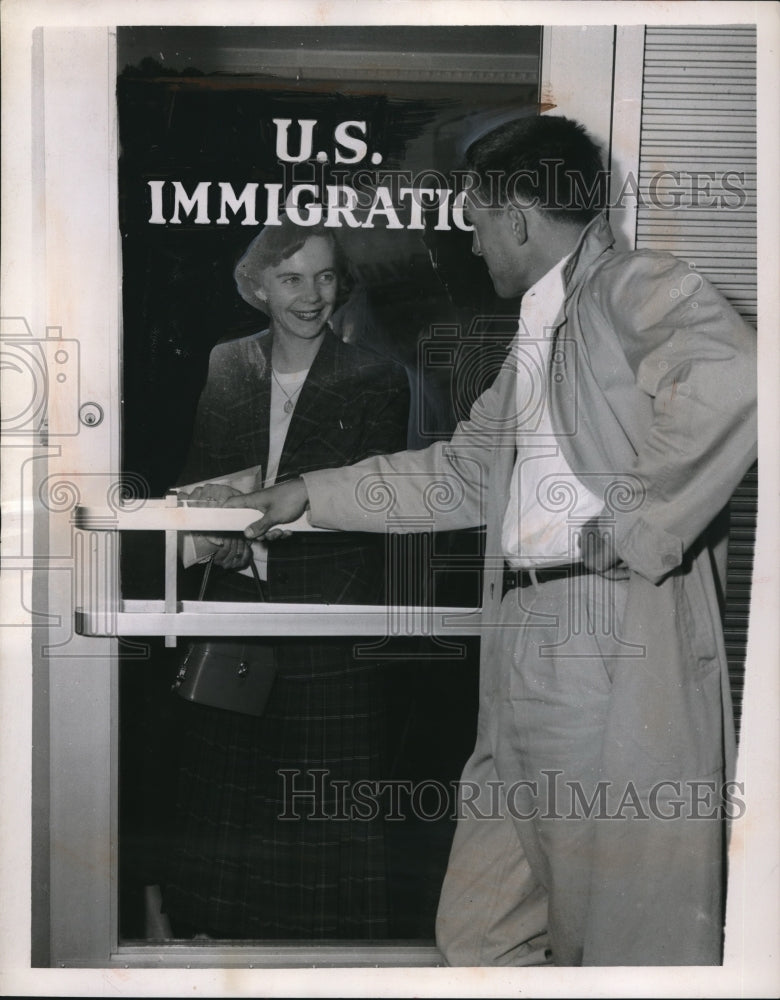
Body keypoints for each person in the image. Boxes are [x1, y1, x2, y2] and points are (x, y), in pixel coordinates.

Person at [213, 116, 758, 965]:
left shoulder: (628, 285)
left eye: (474, 224)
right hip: (525, 636)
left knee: (609, 930)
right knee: (482, 932)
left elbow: (736, 374)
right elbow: (460, 473)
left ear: (515, 217)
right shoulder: (540, 335)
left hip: (595, 631)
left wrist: (635, 519)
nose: (472, 246)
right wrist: (304, 496)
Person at [162, 215, 410, 939]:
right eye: (292, 278)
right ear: (257, 287)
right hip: (237, 610)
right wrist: (214, 536)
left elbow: (371, 502)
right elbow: (201, 478)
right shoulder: (227, 362)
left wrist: (264, 526)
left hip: (326, 620)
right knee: (229, 803)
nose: (312, 295)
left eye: (326, 276)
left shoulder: (375, 377)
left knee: (322, 812)